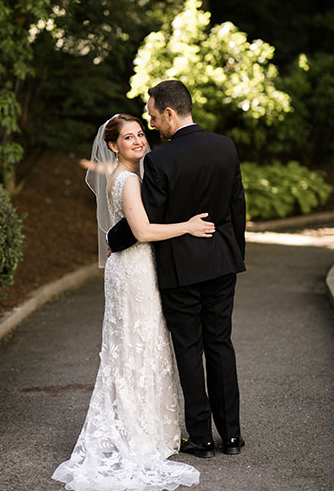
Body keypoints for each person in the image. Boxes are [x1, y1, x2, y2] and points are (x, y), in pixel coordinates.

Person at [52, 113, 216, 491]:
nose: (139, 141)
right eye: (129, 138)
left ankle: (139, 425)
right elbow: (140, 231)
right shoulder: (127, 180)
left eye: (141, 133)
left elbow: (119, 232)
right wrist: (188, 226)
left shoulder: (127, 177)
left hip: (127, 269)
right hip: (134, 271)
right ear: (113, 146)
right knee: (137, 347)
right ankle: (138, 432)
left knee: (131, 347)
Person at [107, 80, 246, 459]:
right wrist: (235, 254)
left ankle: (200, 439)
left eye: (153, 117)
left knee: (189, 349)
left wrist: (113, 240)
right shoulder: (225, 146)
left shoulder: (160, 160)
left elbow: (146, 215)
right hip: (221, 262)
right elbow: (237, 207)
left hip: (179, 269)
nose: (152, 126)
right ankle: (231, 436)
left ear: (170, 112)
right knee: (221, 344)